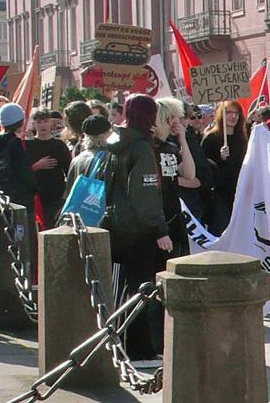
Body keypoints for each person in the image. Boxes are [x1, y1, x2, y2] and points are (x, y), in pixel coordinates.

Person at [103, 94, 171, 366]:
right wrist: (160, 229)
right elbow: (146, 193)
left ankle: (122, 339)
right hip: (139, 229)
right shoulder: (141, 147)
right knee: (141, 289)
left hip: (116, 225)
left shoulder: (115, 142)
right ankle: (139, 348)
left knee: (122, 289)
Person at [153, 98, 194, 257]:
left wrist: (183, 140)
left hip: (174, 216)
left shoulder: (170, 147)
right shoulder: (150, 147)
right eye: (175, 116)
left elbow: (189, 174)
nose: (178, 121)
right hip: (159, 220)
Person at [202, 101, 247, 234]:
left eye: (236, 113)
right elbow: (204, 168)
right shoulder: (211, 139)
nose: (233, 116)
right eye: (229, 113)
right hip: (220, 195)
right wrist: (219, 159)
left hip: (240, 191)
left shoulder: (243, 138)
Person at [25, 108, 73, 230]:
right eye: (39, 122)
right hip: (35, 196)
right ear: (34, 124)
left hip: (55, 196)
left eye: (45, 121)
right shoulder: (27, 146)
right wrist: (36, 166)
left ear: (51, 122)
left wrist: (66, 196)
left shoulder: (59, 146)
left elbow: (70, 172)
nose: (42, 125)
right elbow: (22, 173)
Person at [64, 114, 112, 204]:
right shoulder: (109, 158)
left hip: (79, 207)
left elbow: (69, 190)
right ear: (105, 134)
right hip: (97, 207)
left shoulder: (77, 159)